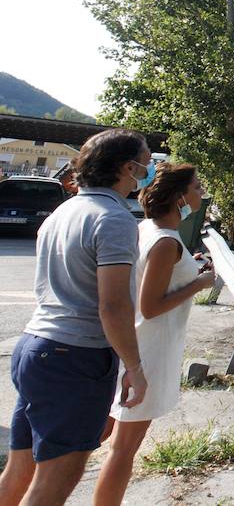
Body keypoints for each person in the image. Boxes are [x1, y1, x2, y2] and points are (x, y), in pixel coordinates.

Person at [0, 129, 150, 506]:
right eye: (145, 162)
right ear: (127, 166)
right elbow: (112, 306)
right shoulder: (114, 219)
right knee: (56, 477)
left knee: (21, 468)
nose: (149, 169)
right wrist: (134, 366)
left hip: (36, 348)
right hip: (75, 358)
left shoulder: (64, 211)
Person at [92, 164, 215, 506]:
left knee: (106, 435)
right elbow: (151, 306)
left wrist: (189, 270)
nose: (201, 192)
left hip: (139, 346)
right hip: (150, 350)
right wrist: (200, 283)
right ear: (180, 198)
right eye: (197, 186)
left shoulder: (148, 229)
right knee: (123, 448)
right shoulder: (165, 241)